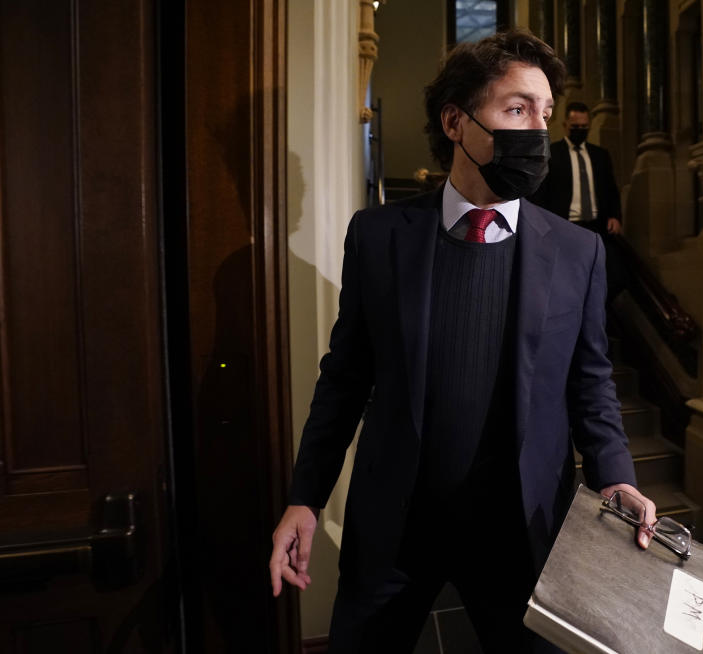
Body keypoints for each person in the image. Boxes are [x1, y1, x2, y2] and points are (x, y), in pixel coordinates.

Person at [269, 30, 656, 653]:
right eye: (516, 109)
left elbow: (590, 379)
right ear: (456, 121)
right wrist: (305, 498)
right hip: (397, 524)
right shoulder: (379, 236)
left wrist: (616, 476)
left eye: (545, 113)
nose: (538, 131)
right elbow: (344, 378)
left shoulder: (579, 251)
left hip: (519, 526)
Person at [528, 101, 622, 235]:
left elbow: (611, 189)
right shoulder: (550, 154)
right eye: (575, 126)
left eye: (584, 126)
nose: (580, 130)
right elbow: (540, 193)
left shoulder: (600, 155)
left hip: (598, 226)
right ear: (565, 125)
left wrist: (615, 216)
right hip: (563, 224)